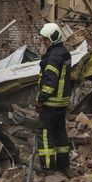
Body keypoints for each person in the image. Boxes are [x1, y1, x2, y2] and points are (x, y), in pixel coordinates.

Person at [35, 23, 72, 171]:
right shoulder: (64, 52)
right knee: (60, 133)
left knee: (44, 134)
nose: (44, 42)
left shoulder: (53, 57)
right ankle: (64, 165)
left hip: (51, 103)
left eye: (45, 39)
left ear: (52, 39)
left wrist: (40, 99)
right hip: (62, 102)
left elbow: (50, 83)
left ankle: (48, 166)